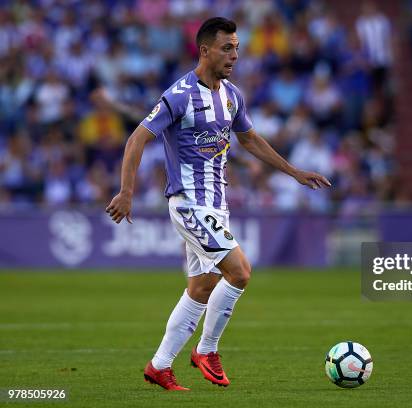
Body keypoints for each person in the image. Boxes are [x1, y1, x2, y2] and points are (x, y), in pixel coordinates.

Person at [105, 17, 331, 391]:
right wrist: (126, 191)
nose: (235, 55)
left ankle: (160, 365)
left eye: (237, 48)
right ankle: (206, 350)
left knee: (201, 287)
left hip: (217, 205)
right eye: (227, 48)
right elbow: (136, 140)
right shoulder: (179, 95)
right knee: (240, 271)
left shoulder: (232, 95)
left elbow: (251, 139)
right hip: (189, 203)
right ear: (205, 50)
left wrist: (293, 172)